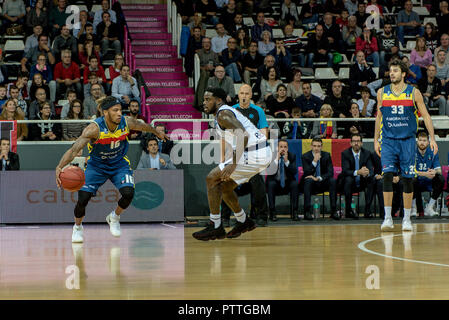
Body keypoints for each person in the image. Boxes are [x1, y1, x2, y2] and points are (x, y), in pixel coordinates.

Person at [55, 96, 169, 243]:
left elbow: (142, 125)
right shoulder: (94, 129)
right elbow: (74, 149)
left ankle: (114, 217)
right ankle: (77, 227)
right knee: (83, 198)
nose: (119, 113)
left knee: (129, 193)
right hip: (96, 166)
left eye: (120, 110)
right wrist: (59, 166)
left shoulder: (126, 122)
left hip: (119, 164)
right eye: (115, 110)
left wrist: (156, 132)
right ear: (105, 113)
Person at [192, 87, 272, 241]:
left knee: (211, 178)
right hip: (259, 152)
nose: (204, 103)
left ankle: (215, 225)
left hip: (255, 152)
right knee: (224, 187)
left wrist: (233, 163)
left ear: (219, 100)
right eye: (204, 99)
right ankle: (243, 221)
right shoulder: (222, 114)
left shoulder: (223, 114)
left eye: (208, 99)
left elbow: (243, 134)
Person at [374, 59, 438, 232]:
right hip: (388, 140)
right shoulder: (382, 92)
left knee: (408, 179)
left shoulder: (413, 92)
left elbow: (426, 116)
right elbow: (379, 118)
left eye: (395, 71)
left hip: (407, 141)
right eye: (390, 70)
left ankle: (407, 219)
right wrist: (375, 140)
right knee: (387, 176)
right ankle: (387, 218)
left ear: (403, 74)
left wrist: (432, 138)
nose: (392, 73)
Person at [222, 84, 269, 226]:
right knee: (225, 184)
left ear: (251, 95)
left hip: (253, 154)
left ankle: (262, 216)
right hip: (235, 154)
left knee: (258, 185)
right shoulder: (232, 110)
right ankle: (224, 217)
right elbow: (225, 134)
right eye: (241, 93)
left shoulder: (258, 111)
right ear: (238, 95)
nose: (243, 96)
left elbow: (264, 133)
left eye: (246, 93)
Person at [301, 138, 339, 220]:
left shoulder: (326, 155)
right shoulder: (305, 156)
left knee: (333, 181)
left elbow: (330, 172)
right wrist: (314, 161)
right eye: (314, 146)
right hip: (310, 184)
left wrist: (318, 178)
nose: (316, 148)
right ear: (311, 146)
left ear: (321, 147)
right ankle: (307, 212)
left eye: (318, 146)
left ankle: (334, 210)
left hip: (322, 182)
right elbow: (306, 173)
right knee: (308, 180)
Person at [339, 133, 374, 219]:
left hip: (362, 181)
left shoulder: (367, 153)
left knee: (371, 180)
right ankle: (348, 210)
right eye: (354, 141)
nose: (356, 143)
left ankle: (367, 210)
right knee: (348, 179)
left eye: (358, 141)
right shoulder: (345, 154)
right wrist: (358, 172)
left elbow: (371, 170)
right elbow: (345, 171)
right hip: (350, 183)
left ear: (361, 143)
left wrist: (367, 172)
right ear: (350, 143)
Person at [266, 139, 300, 221]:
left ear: (287, 148)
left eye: (285, 147)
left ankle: (295, 211)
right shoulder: (272, 155)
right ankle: (272, 212)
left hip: (287, 183)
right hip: (275, 182)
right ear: (277, 148)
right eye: (281, 147)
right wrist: (276, 160)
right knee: (270, 184)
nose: (283, 149)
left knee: (295, 184)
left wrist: (286, 161)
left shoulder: (292, 156)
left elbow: (294, 171)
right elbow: (269, 170)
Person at [412, 131, 444, 217]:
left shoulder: (433, 151)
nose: (422, 142)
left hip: (429, 181)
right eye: (420, 140)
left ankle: (429, 208)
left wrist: (434, 171)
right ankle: (413, 208)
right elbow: (409, 170)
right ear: (417, 141)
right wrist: (424, 174)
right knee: (411, 179)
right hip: (417, 182)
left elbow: (439, 170)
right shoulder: (412, 152)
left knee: (440, 179)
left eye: (424, 140)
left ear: (428, 142)